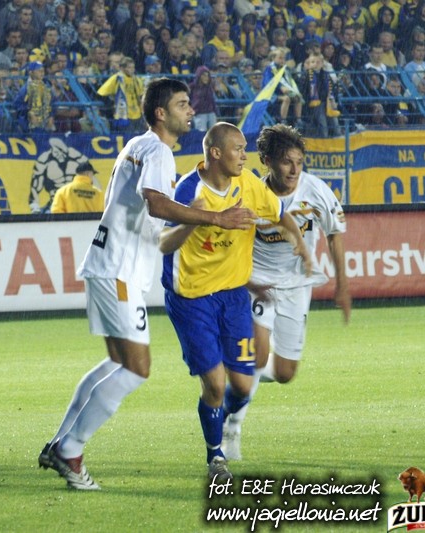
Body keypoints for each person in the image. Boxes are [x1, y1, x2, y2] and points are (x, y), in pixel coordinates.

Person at [37, 79, 256, 491]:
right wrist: (216, 218)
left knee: (116, 363)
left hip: (107, 264)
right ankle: (70, 449)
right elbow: (155, 202)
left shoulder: (137, 146)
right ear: (161, 113)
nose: (190, 110)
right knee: (137, 369)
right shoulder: (158, 150)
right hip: (119, 269)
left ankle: (59, 442)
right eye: (182, 104)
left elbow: (153, 222)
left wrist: (192, 221)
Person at [159, 122, 312, 483]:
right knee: (215, 383)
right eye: (238, 149)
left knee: (242, 386)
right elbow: (164, 243)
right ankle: (216, 456)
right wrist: (199, 220)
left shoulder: (249, 184)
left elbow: (278, 213)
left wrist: (299, 243)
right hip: (192, 299)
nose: (245, 156)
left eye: (245, 148)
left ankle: (219, 418)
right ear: (215, 153)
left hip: (234, 299)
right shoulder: (189, 190)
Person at [221, 124, 350, 461]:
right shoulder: (246, 192)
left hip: (296, 287)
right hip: (257, 284)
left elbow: (335, 234)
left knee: (284, 373)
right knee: (258, 355)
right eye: (286, 162)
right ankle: (232, 427)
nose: (294, 170)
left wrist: (342, 284)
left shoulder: (315, 191)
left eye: (299, 162)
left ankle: (240, 374)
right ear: (266, 161)